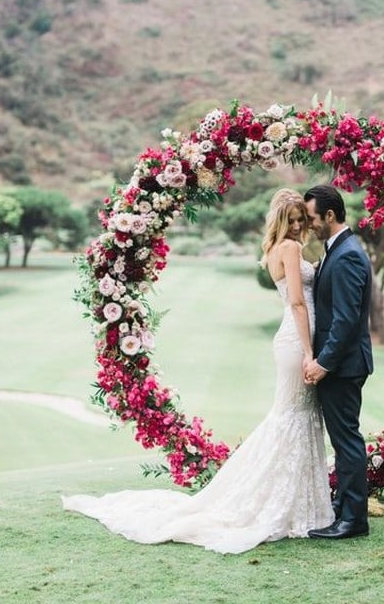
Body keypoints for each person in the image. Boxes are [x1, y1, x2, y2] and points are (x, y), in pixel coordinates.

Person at [62, 189, 334, 554]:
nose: (299, 226)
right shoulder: (289, 249)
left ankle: (300, 501)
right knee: (291, 417)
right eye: (293, 220)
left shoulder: (272, 251)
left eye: (302, 219)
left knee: (296, 416)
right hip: (298, 339)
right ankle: (282, 502)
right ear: (280, 222)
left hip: (292, 337)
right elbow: (299, 303)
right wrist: (310, 351)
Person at [303, 185, 373, 540]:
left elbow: (346, 320)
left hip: (343, 366)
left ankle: (353, 520)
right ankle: (346, 509)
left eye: (312, 218)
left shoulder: (346, 255)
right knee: (344, 439)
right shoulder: (337, 251)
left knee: (346, 441)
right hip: (343, 364)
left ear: (330, 216)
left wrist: (323, 363)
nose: (309, 224)